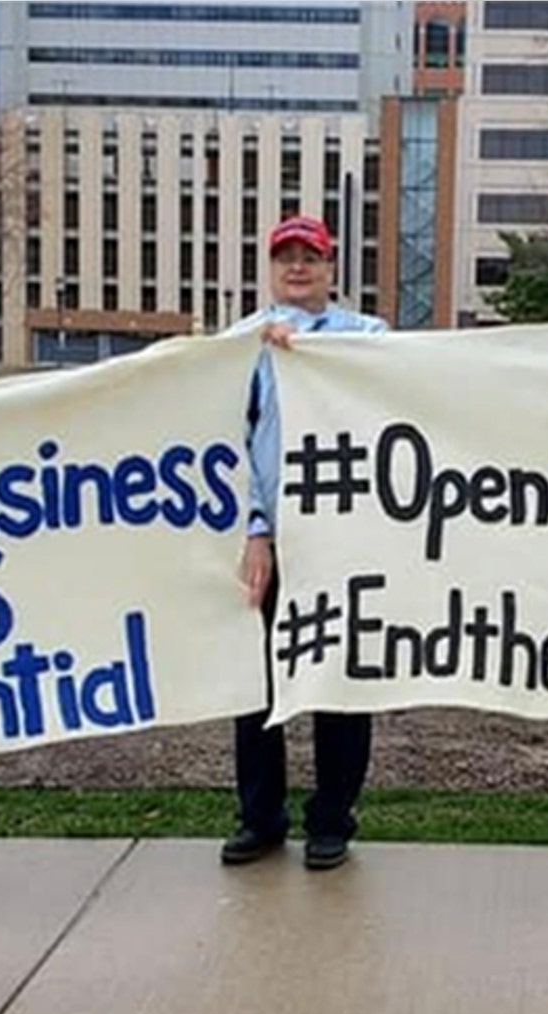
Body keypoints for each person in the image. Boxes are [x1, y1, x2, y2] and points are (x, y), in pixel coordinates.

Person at [220, 215, 387, 871]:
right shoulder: (240, 347)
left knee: (338, 682)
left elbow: (403, 390)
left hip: (342, 540)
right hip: (270, 540)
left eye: (309, 257)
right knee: (256, 687)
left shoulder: (367, 336)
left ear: (330, 267)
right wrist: (255, 530)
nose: (297, 267)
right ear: (269, 268)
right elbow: (225, 446)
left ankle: (331, 821)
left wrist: (316, 351)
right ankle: (260, 818)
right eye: (285, 256)